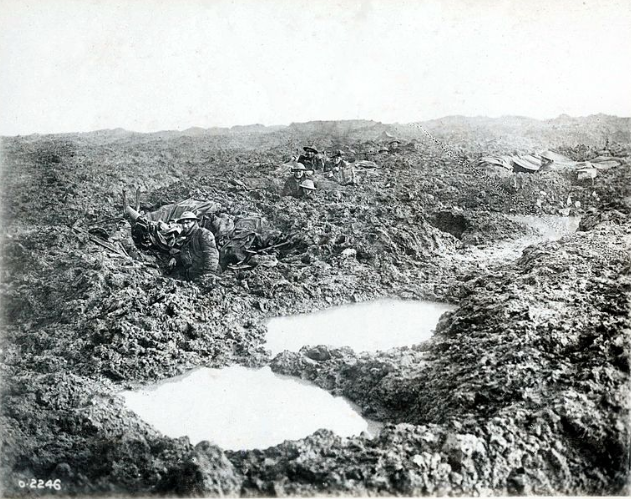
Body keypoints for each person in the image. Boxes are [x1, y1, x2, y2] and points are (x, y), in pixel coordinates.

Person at [170, 211, 219, 285]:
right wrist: (176, 258)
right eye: (183, 223)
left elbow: (211, 254)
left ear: (195, 222)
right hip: (192, 277)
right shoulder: (185, 237)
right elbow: (187, 254)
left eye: (188, 223)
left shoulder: (203, 234)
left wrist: (209, 274)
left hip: (207, 275)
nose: (185, 226)